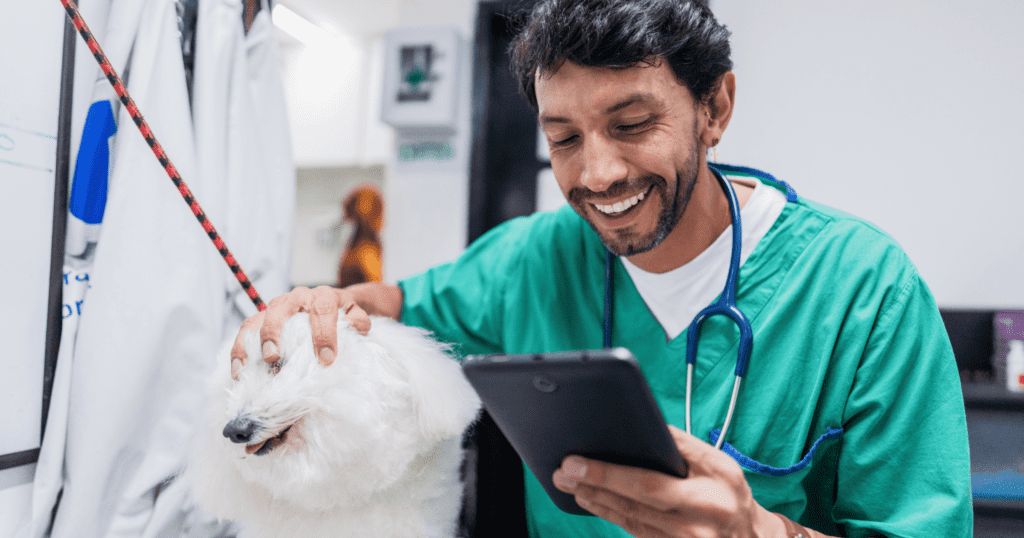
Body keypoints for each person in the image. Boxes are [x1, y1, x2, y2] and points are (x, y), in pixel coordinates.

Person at [231, 0, 972, 536]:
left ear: (715, 106)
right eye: (563, 138)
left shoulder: (864, 292)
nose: (598, 173)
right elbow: (390, 306)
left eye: (632, 125)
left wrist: (758, 532)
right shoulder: (534, 257)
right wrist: (316, 311)